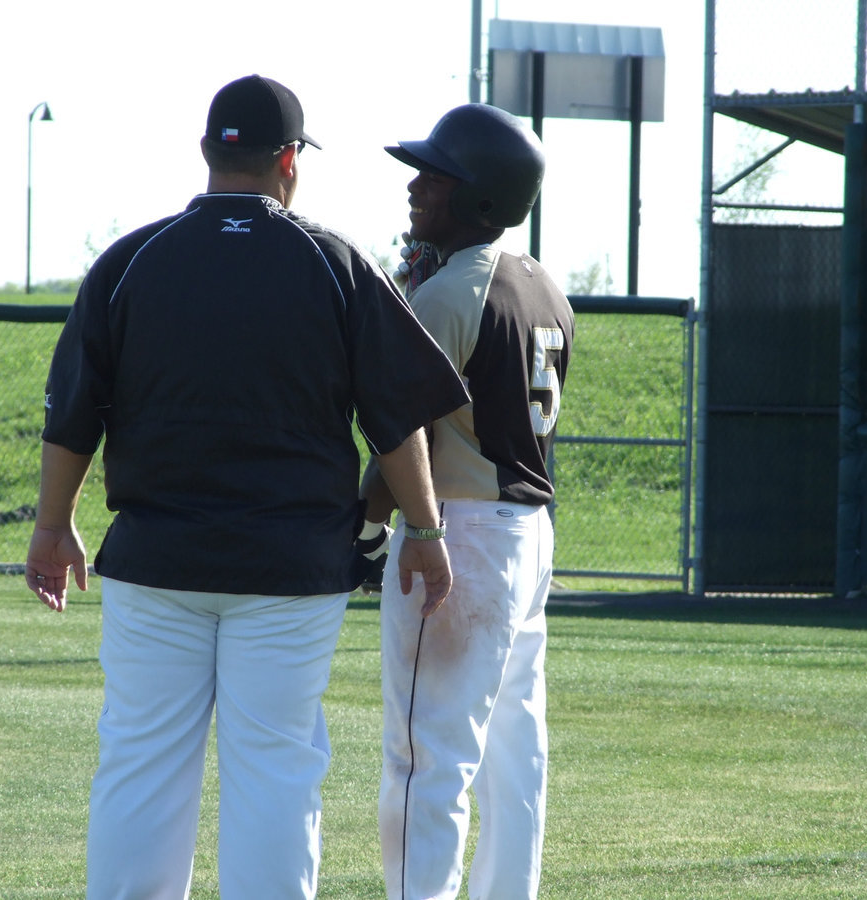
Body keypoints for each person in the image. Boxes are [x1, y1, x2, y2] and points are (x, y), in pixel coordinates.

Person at [24, 74, 469, 900]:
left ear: (205, 153)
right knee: (275, 769)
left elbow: (72, 414)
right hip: (291, 571)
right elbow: (397, 421)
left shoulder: (131, 258)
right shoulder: (333, 260)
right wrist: (430, 533)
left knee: (141, 764)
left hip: (156, 559)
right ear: (290, 162)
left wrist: (54, 525)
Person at [359, 103, 575, 900]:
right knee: (515, 750)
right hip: (525, 532)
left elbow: (399, 430)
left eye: (437, 176)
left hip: (461, 532)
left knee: (427, 755)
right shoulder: (547, 285)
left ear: (480, 199)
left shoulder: (453, 292)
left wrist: (371, 522)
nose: (417, 186)